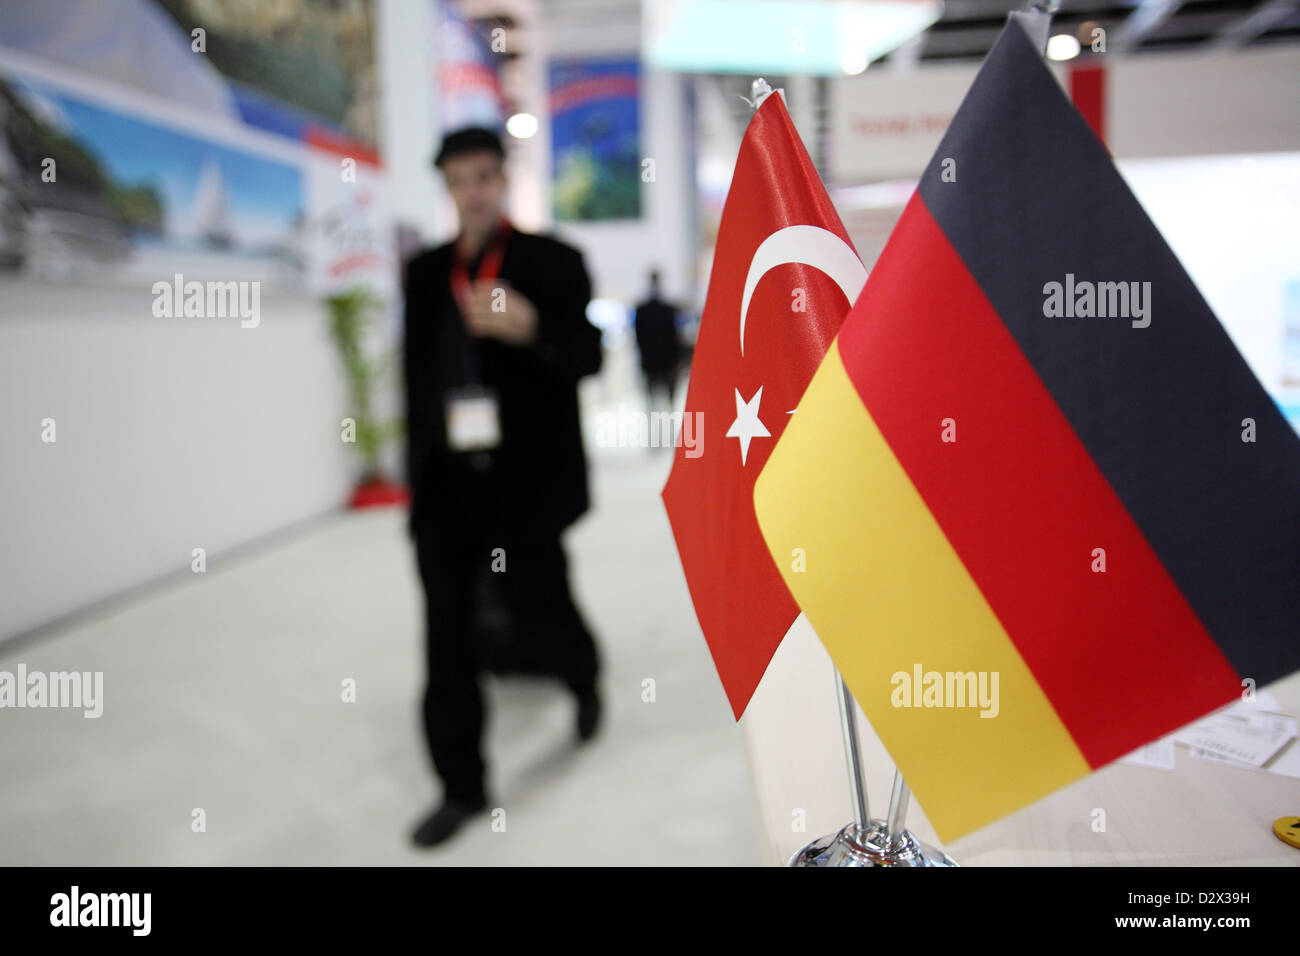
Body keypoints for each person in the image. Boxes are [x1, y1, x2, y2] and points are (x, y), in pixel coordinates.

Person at [402, 126, 604, 848]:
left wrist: (533, 330)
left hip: (524, 485)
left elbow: (588, 356)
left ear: (503, 179)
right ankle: (460, 786)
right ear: (449, 188)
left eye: (485, 175)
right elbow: (415, 382)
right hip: (449, 491)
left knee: (543, 602)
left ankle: (582, 681)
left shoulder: (552, 262)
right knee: (445, 638)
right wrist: (417, 484)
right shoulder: (425, 274)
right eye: (460, 179)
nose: (474, 191)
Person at [633, 269, 683, 416]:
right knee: (663, 399)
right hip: (663, 359)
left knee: (655, 399)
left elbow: (639, 336)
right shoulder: (666, 309)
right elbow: (673, 336)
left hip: (654, 360)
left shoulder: (643, 310)